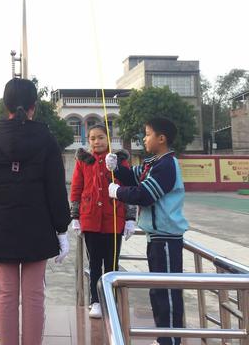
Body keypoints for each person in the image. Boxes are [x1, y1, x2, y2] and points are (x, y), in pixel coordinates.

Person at [0, 78, 71, 345]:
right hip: (38, 227)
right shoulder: (47, 140)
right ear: (34, 106)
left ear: (4, 104)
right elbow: (55, 188)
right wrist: (62, 229)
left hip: (1, 227)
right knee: (34, 295)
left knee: (5, 294)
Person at [105, 117, 189, 345]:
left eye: (148, 134)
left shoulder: (166, 165)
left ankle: (170, 340)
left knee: (168, 292)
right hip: (157, 237)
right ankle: (164, 337)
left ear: (161, 139)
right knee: (158, 290)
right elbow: (132, 175)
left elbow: (144, 194)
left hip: (167, 238)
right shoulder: (154, 163)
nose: (144, 138)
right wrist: (115, 168)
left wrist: (117, 192)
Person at [70, 124, 137, 319]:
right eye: (92, 138)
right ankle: (95, 301)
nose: (97, 141)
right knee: (94, 264)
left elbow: (130, 187)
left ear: (108, 139)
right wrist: (75, 217)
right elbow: (76, 189)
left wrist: (131, 218)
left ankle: (110, 300)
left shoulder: (118, 160)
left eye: (100, 137)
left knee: (111, 264)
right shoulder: (83, 161)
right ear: (88, 141)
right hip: (90, 220)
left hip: (114, 220)